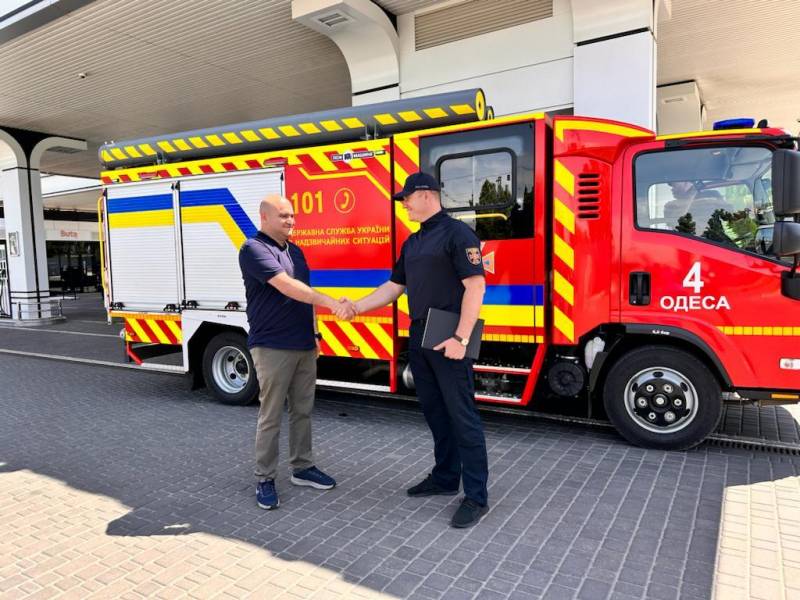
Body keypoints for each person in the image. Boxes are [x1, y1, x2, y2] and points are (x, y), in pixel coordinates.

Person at [340, 172, 490, 528]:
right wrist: (356, 307)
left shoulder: (458, 234)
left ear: (426, 194)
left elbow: (476, 287)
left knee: (462, 416)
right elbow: (394, 287)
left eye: (406, 198)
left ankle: (476, 496)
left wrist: (461, 339)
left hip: (450, 334)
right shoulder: (413, 242)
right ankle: (445, 477)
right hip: (421, 332)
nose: (403, 204)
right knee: (436, 412)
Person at [239, 194, 350, 510]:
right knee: (271, 415)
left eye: (292, 215)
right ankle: (264, 478)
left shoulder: (296, 251)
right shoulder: (253, 249)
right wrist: (332, 303)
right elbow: (286, 286)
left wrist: (315, 334)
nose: (291, 220)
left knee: (303, 410)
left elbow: (305, 296)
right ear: (265, 217)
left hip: (303, 344)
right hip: (272, 345)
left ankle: (302, 467)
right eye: (283, 216)